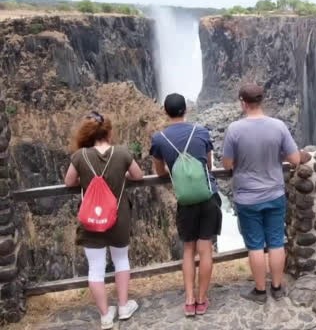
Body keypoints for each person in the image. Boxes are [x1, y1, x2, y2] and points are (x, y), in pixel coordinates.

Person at [64, 111, 144, 330]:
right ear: (109, 132)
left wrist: (87, 179)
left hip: (91, 219)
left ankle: (105, 316)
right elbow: (138, 176)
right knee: (121, 261)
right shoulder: (122, 153)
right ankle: (124, 306)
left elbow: (69, 181)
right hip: (118, 217)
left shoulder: (80, 156)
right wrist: (121, 175)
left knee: (95, 268)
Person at [222, 84, 300, 304]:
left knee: (255, 245)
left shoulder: (234, 130)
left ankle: (259, 291)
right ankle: (276, 287)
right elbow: (294, 159)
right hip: (274, 194)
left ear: (243, 103)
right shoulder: (278, 126)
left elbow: (227, 164)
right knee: (276, 242)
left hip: (247, 197)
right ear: (261, 101)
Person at [150, 93, 223, 316]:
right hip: (208, 197)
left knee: (189, 250)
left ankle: (189, 300)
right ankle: (202, 299)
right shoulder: (200, 131)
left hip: (186, 202)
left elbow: (160, 171)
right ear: (185, 110)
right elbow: (208, 165)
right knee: (206, 249)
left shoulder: (159, 138)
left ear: (165, 111)